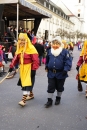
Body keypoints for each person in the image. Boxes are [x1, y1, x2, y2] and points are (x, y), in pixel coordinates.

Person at [8, 33, 39, 106]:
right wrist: (11, 66)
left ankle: (23, 100)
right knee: (24, 83)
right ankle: (31, 95)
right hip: (22, 68)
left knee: (26, 84)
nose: (21, 41)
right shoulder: (19, 49)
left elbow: (35, 60)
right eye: (20, 40)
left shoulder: (31, 48)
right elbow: (15, 58)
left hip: (29, 68)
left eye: (23, 40)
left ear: (26, 40)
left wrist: (33, 70)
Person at [45, 36, 72, 108]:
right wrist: (46, 66)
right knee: (51, 86)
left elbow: (68, 61)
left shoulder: (64, 52)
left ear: (60, 44)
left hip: (61, 73)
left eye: (57, 43)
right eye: (53, 43)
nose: (55, 45)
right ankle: (49, 100)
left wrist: (66, 69)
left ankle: (58, 98)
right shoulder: (49, 51)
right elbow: (47, 60)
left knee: (59, 87)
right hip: (51, 73)